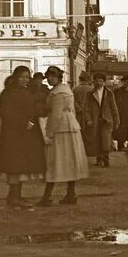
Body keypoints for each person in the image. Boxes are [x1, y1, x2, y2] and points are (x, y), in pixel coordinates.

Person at [38, 66, 88, 206]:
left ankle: (47, 197)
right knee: (69, 162)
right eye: (48, 76)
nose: (49, 79)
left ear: (58, 77)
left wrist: (49, 134)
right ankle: (70, 194)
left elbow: (56, 115)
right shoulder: (65, 89)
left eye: (52, 76)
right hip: (70, 127)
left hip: (61, 130)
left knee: (53, 162)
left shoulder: (59, 92)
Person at [0, 66, 46, 208]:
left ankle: (15, 196)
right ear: (15, 77)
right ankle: (14, 197)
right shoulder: (8, 93)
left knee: (22, 167)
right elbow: (5, 112)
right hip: (13, 134)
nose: (25, 79)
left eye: (27, 77)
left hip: (25, 135)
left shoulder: (26, 91)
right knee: (15, 166)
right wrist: (23, 122)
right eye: (22, 77)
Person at [83, 72, 120, 167]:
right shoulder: (90, 94)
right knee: (96, 140)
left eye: (100, 81)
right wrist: (88, 119)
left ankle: (106, 159)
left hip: (106, 120)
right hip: (95, 120)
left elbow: (114, 107)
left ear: (104, 82)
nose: (98, 83)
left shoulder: (109, 93)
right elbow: (86, 108)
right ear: (94, 82)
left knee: (106, 140)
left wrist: (116, 121)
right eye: (96, 81)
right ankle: (99, 159)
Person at [113, 75, 128, 151]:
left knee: (124, 130)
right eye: (125, 82)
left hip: (126, 114)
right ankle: (120, 145)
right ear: (122, 82)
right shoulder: (116, 92)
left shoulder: (127, 93)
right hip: (119, 113)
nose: (126, 84)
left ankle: (121, 145)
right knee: (119, 129)